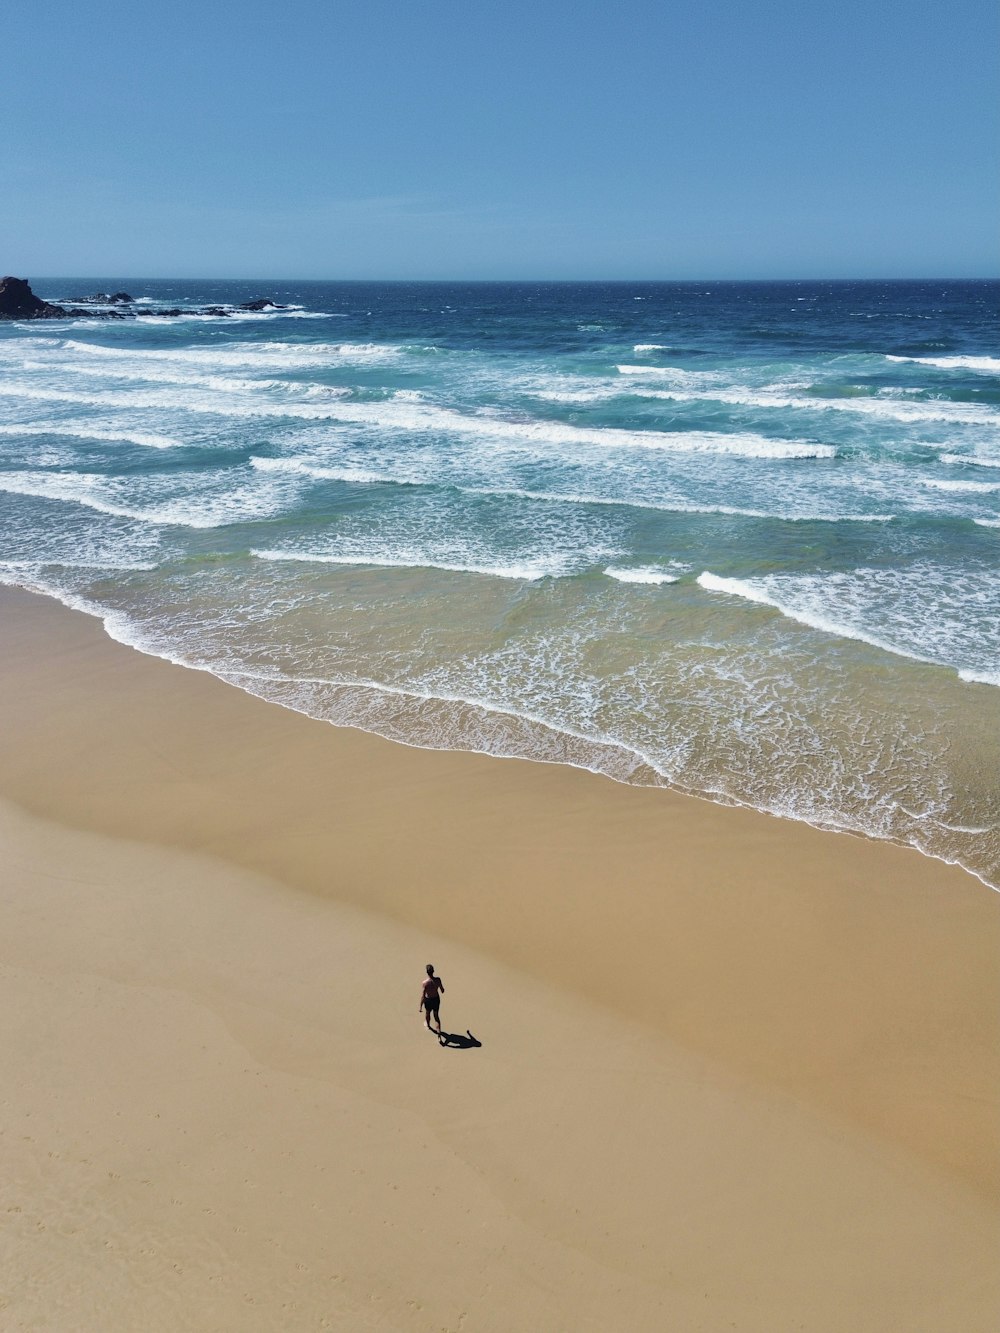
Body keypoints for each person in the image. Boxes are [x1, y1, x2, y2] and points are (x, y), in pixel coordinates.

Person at [420, 963, 444, 1033]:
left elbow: (423, 996)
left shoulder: (424, 983)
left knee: (427, 1013)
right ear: (433, 971)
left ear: (427, 972)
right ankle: (439, 1033)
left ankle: (428, 1025)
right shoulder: (438, 980)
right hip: (436, 999)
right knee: (436, 1017)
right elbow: (442, 990)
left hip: (428, 1000)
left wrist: (420, 1006)